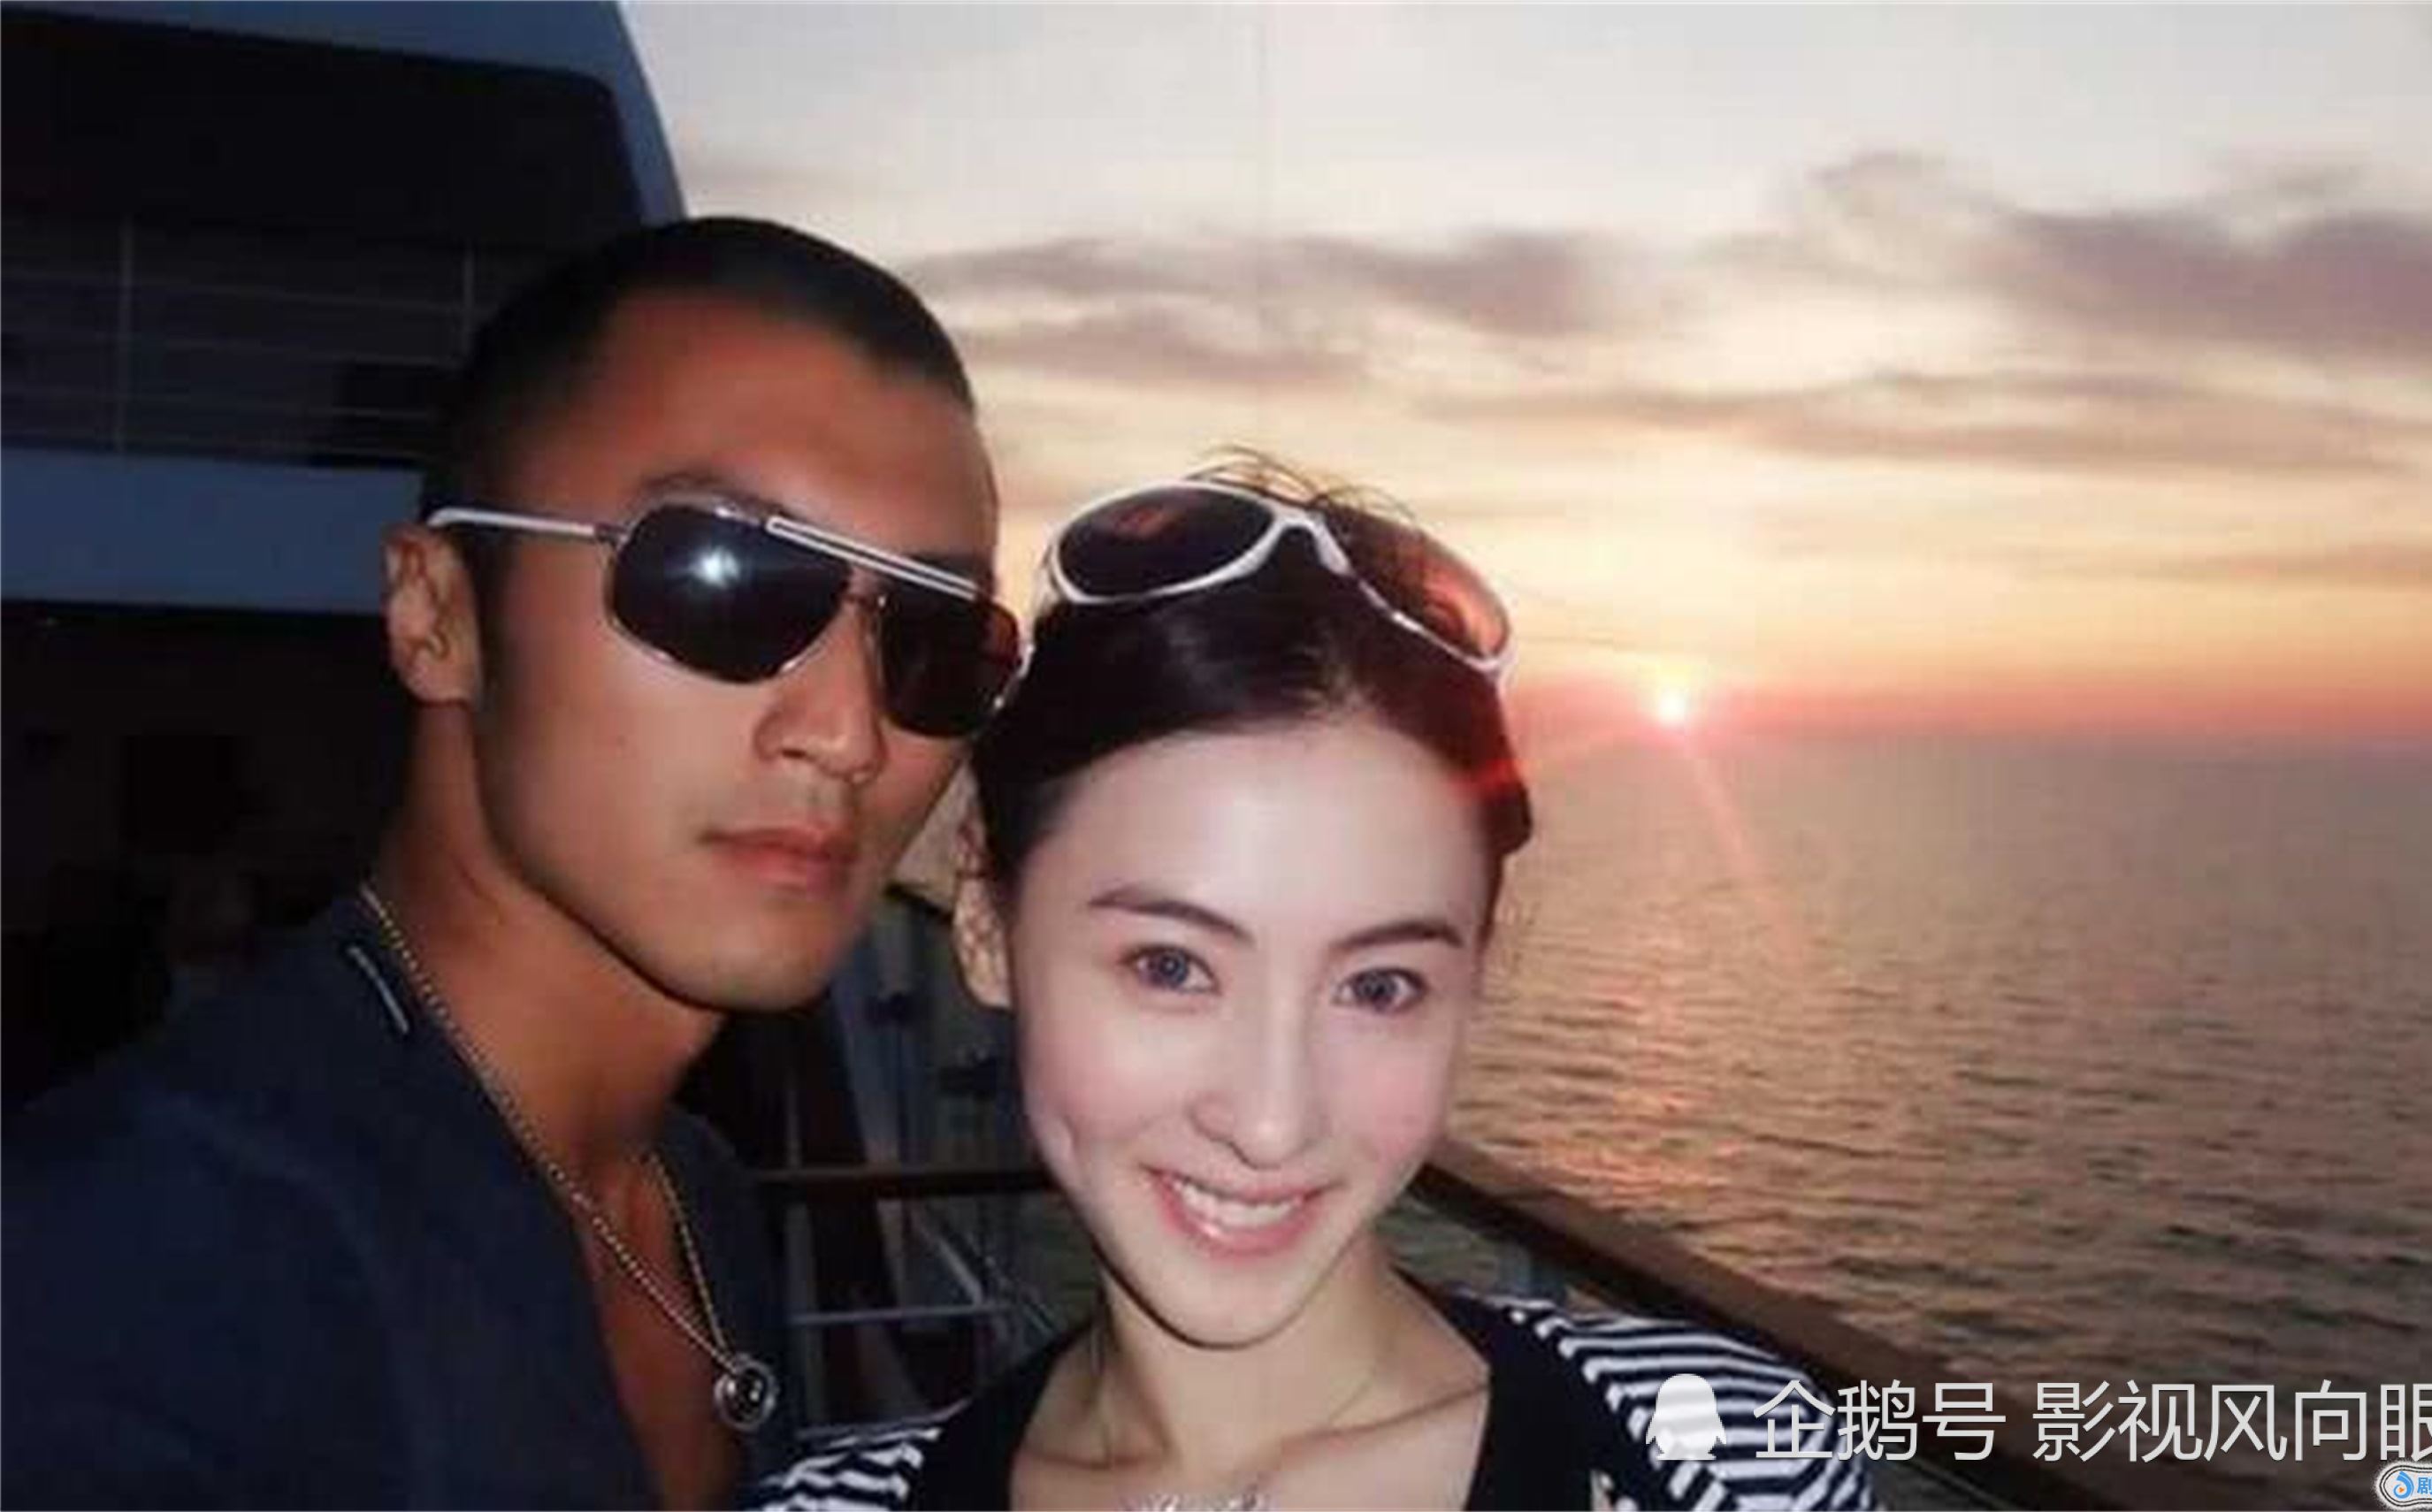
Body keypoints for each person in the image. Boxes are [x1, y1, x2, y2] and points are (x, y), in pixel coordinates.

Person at [3, 218, 1021, 1508]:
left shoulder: (687, 1195)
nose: (849, 730)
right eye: (719, 575)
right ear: (437, 615)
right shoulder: (139, 1265)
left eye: (932, 635)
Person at [758, 458, 1875, 1510]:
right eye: (1171, 967)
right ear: (987, 925)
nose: (1271, 1124)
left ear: (1475, 971)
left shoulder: (1727, 1459)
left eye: (1379, 987)